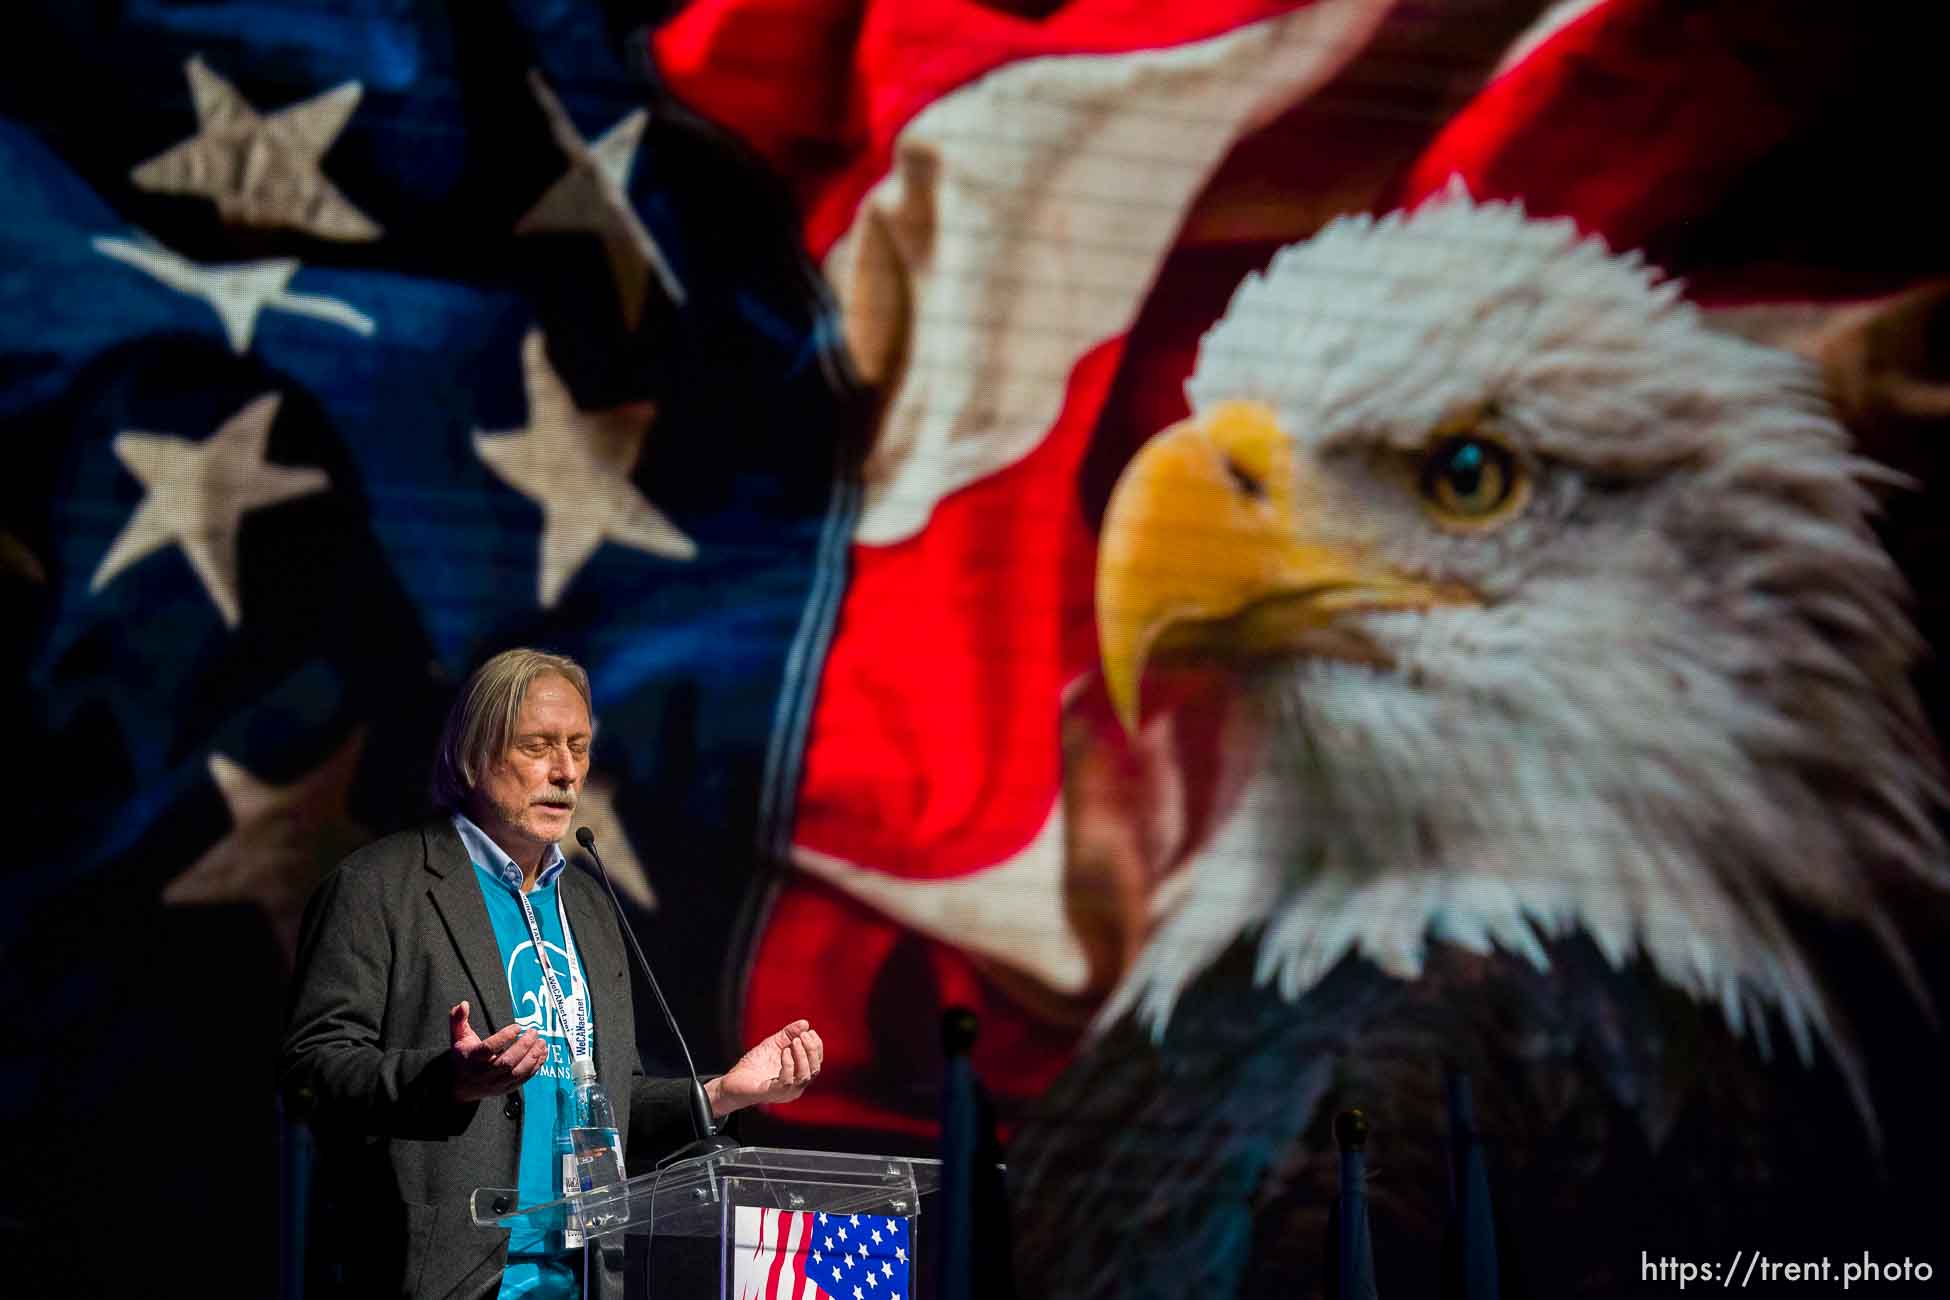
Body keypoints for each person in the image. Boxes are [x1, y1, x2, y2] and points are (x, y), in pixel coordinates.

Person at [282, 648, 824, 1299]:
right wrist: (448, 1080)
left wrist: (721, 1094)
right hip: (445, 1275)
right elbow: (313, 1068)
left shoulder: (590, 909)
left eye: (579, 746)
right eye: (538, 746)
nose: (567, 772)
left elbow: (606, 1094)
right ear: (474, 756)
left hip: (586, 1277)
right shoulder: (379, 887)